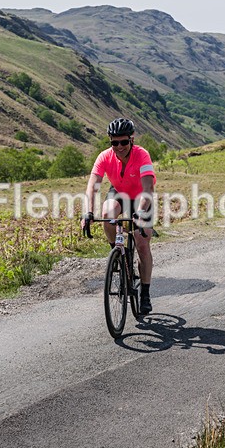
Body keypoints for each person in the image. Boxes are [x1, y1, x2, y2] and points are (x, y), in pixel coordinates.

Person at [81, 118, 156, 314]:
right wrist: (88, 212)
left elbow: (148, 188)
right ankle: (117, 252)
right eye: (115, 142)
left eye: (123, 142)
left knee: (142, 242)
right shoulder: (105, 157)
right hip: (119, 192)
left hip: (141, 197)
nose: (119, 146)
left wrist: (140, 213)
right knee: (107, 213)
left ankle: (145, 293)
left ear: (132, 140)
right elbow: (93, 185)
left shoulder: (142, 155)